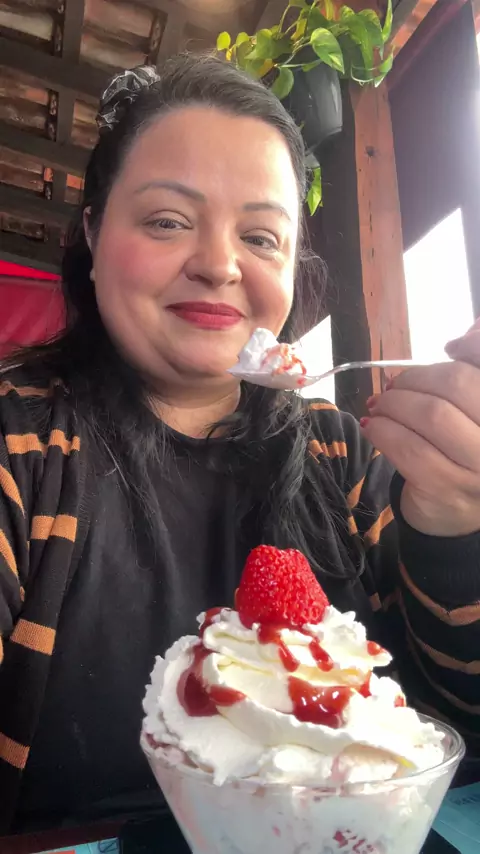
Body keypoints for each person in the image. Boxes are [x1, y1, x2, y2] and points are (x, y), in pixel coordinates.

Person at [0, 54, 479, 834]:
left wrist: (453, 529)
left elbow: (451, 735)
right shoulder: (18, 445)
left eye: (261, 236)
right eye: (167, 221)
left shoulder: (341, 453)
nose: (220, 265)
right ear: (92, 233)